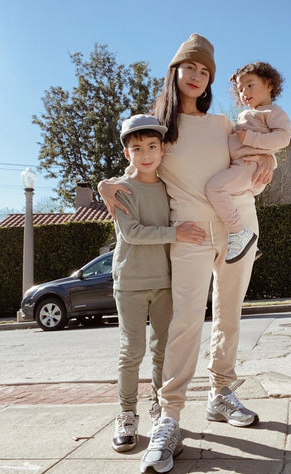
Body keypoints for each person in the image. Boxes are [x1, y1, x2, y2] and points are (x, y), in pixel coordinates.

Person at [98, 34, 275, 474]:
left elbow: (253, 157)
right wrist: (109, 182)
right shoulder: (161, 130)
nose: (196, 76)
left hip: (239, 225)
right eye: (189, 68)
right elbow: (139, 163)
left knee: (230, 314)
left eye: (205, 71)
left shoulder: (221, 124)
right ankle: (170, 417)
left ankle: (220, 393)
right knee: (186, 321)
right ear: (174, 72)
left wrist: (267, 163)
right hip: (190, 233)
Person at [111, 114, 206, 454]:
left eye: (152, 146)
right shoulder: (120, 188)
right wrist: (175, 233)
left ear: (163, 149)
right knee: (132, 351)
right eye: (137, 148)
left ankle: (158, 409)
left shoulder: (169, 186)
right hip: (131, 283)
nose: (146, 154)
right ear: (127, 154)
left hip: (166, 282)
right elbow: (131, 233)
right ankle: (125, 414)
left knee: (163, 352)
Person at [205, 61, 291, 264]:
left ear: (269, 84)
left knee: (214, 188)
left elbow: (282, 138)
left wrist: (251, 139)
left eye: (250, 85)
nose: (244, 92)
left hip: (248, 167)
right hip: (244, 167)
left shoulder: (272, 112)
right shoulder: (250, 114)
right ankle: (250, 243)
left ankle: (238, 234)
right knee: (232, 201)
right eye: (240, 89)